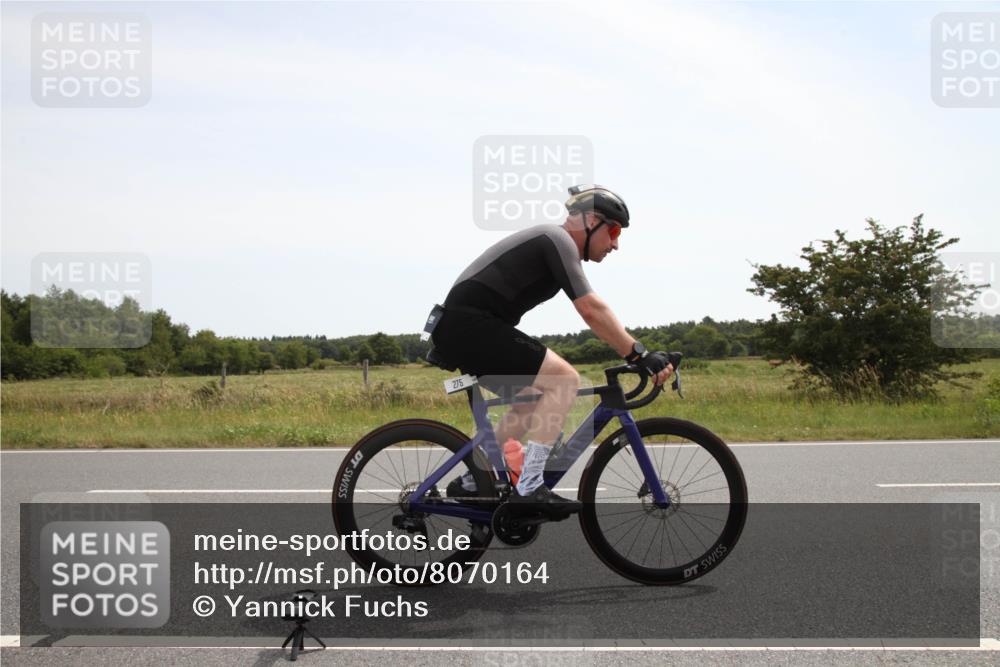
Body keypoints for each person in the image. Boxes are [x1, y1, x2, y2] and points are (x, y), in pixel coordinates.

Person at [430, 185, 673, 517]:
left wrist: (636, 353)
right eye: (614, 230)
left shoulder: (557, 245)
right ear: (589, 220)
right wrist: (638, 354)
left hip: (465, 328)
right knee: (563, 381)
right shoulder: (556, 240)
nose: (616, 243)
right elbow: (591, 310)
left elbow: (593, 312)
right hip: (468, 326)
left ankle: (474, 481)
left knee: (532, 397)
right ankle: (529, 488)